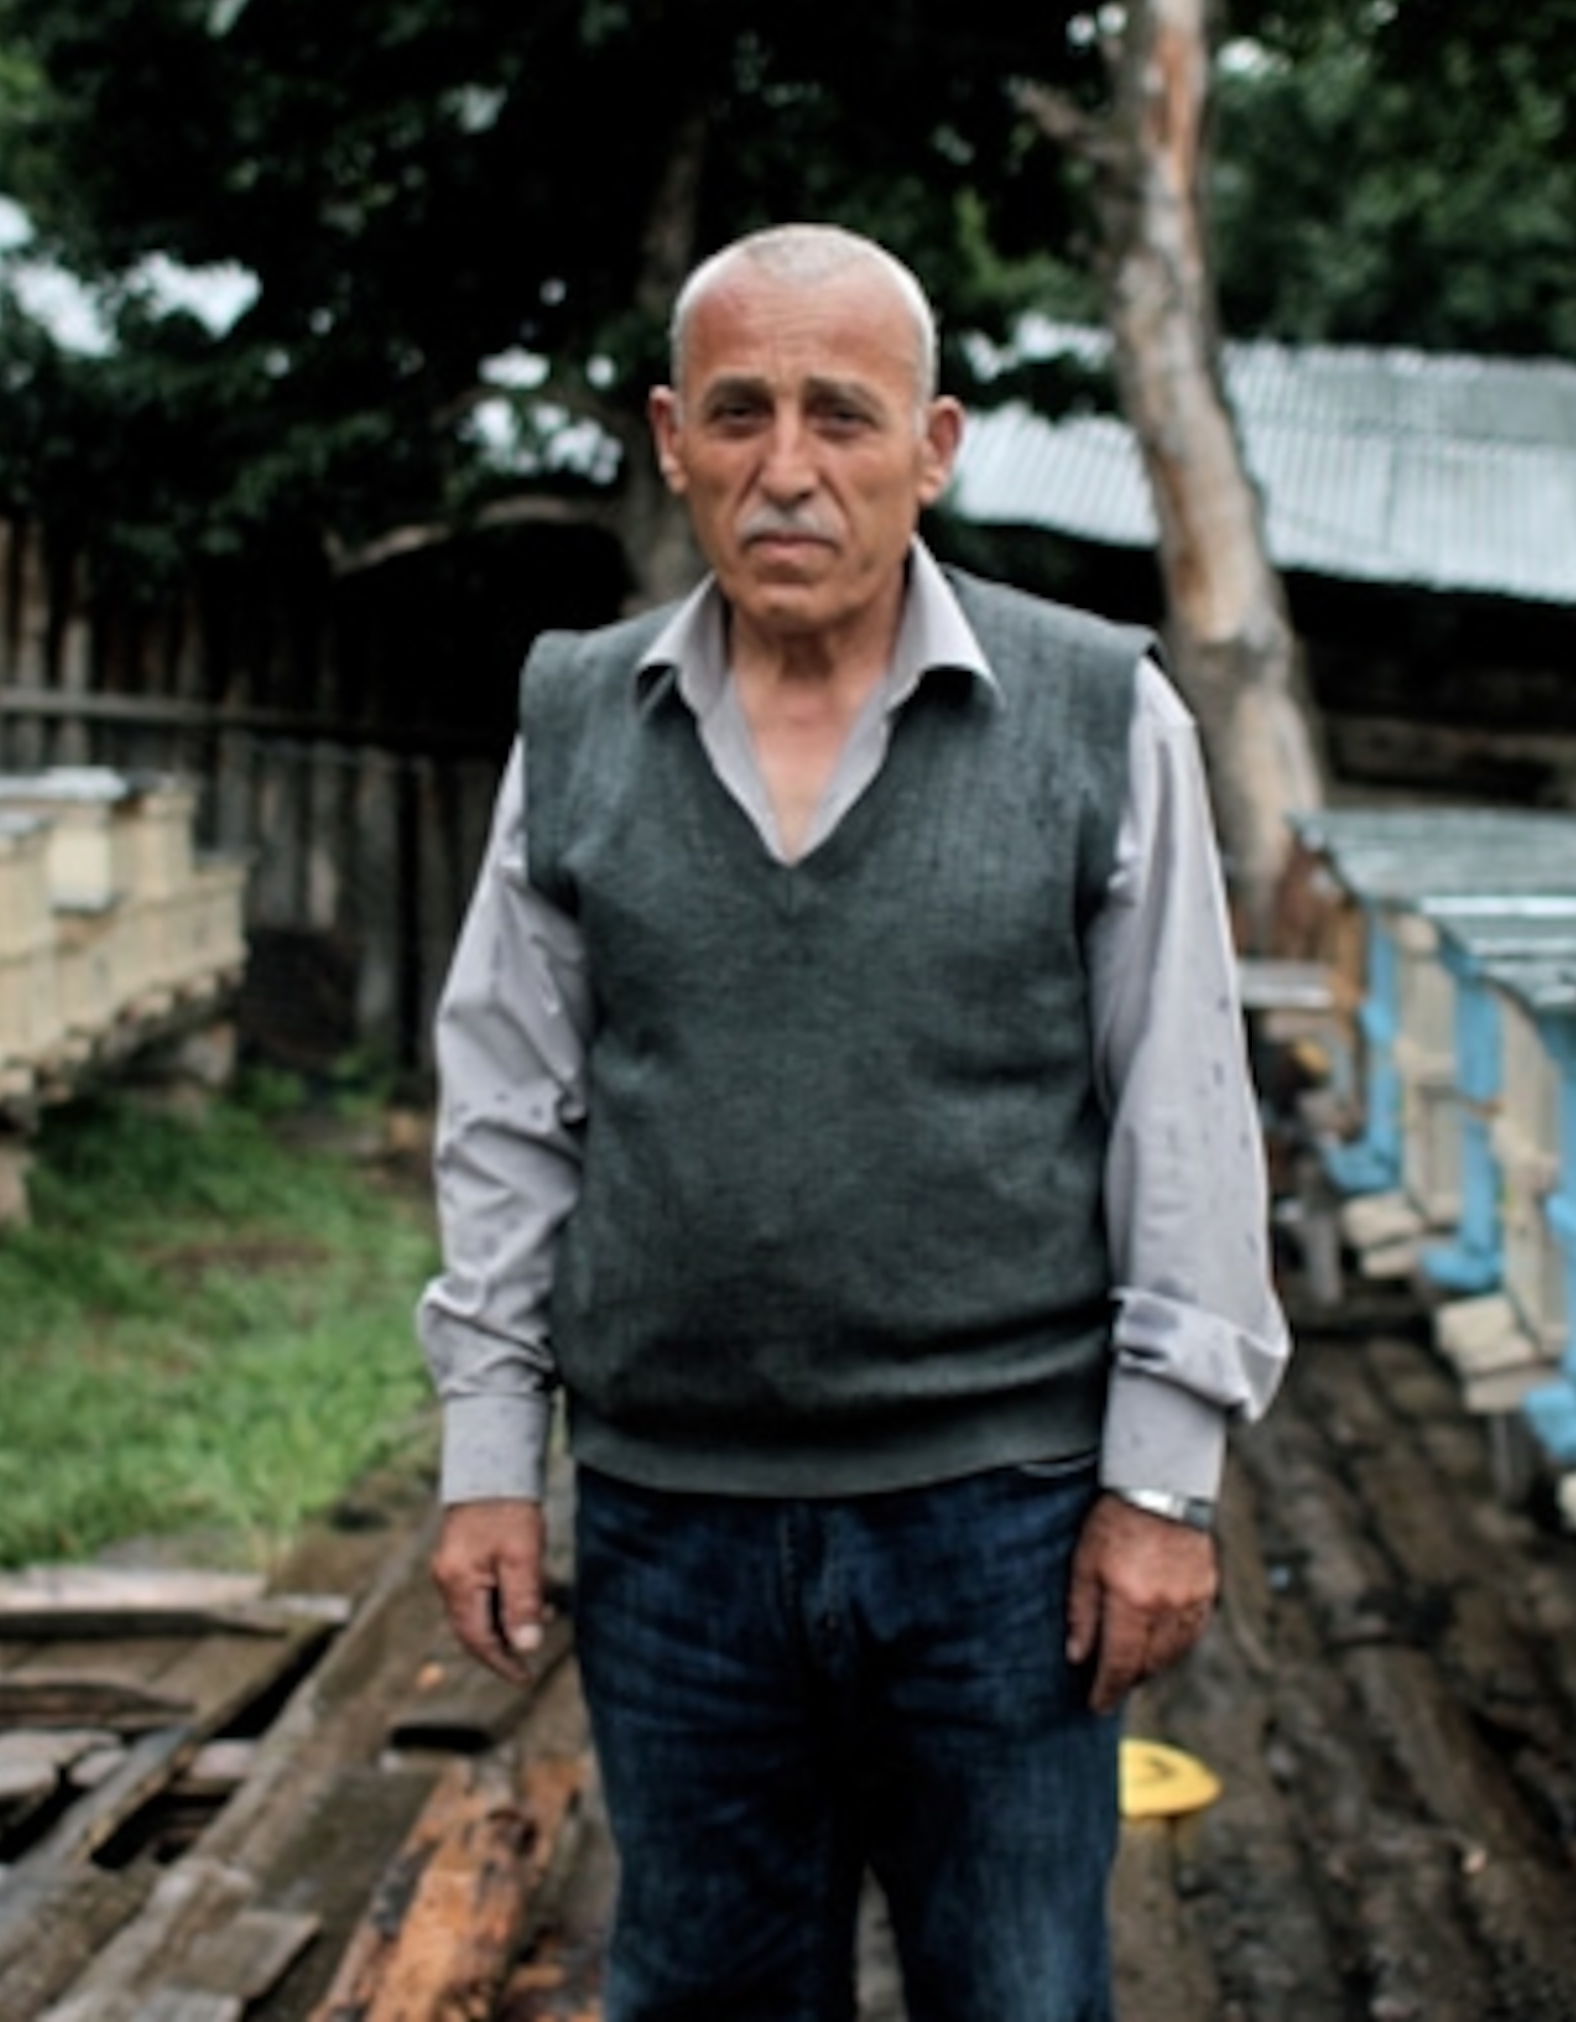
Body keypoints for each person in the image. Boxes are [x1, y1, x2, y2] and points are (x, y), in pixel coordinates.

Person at [416, 222, 1291, 2021]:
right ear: (672, 438)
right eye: (739, 413)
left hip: (1004, 1527)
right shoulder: (579, 715)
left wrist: (1158, 1484)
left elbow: (1185, 1115)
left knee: (1019, 1993)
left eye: (843, 414)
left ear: (937, 443)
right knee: (708, 1991)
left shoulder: (1093, 709)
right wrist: (492, 1453)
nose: (788, 467)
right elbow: (508, 1109)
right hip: (672, 1525)